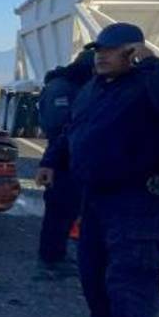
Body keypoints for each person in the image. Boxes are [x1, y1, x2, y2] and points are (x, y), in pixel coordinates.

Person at [37, 23, 159, 317]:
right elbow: (72, 130)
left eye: (110, 51)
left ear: (132, 52)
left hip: (138, 200)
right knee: (92, 267)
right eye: (98, 51)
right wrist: (51, 161)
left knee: (131, 274)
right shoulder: (95, 87)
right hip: (96, 196)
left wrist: (153, 64)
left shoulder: (150, 85)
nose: (101, 57)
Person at [35, 50, 94, 276]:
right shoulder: (61, 88)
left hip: (74, 159)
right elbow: (58, 126)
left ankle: (56, 255)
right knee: (59, 210)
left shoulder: (78, 86)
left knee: (69, 210)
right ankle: (50, 257)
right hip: (62, 159)